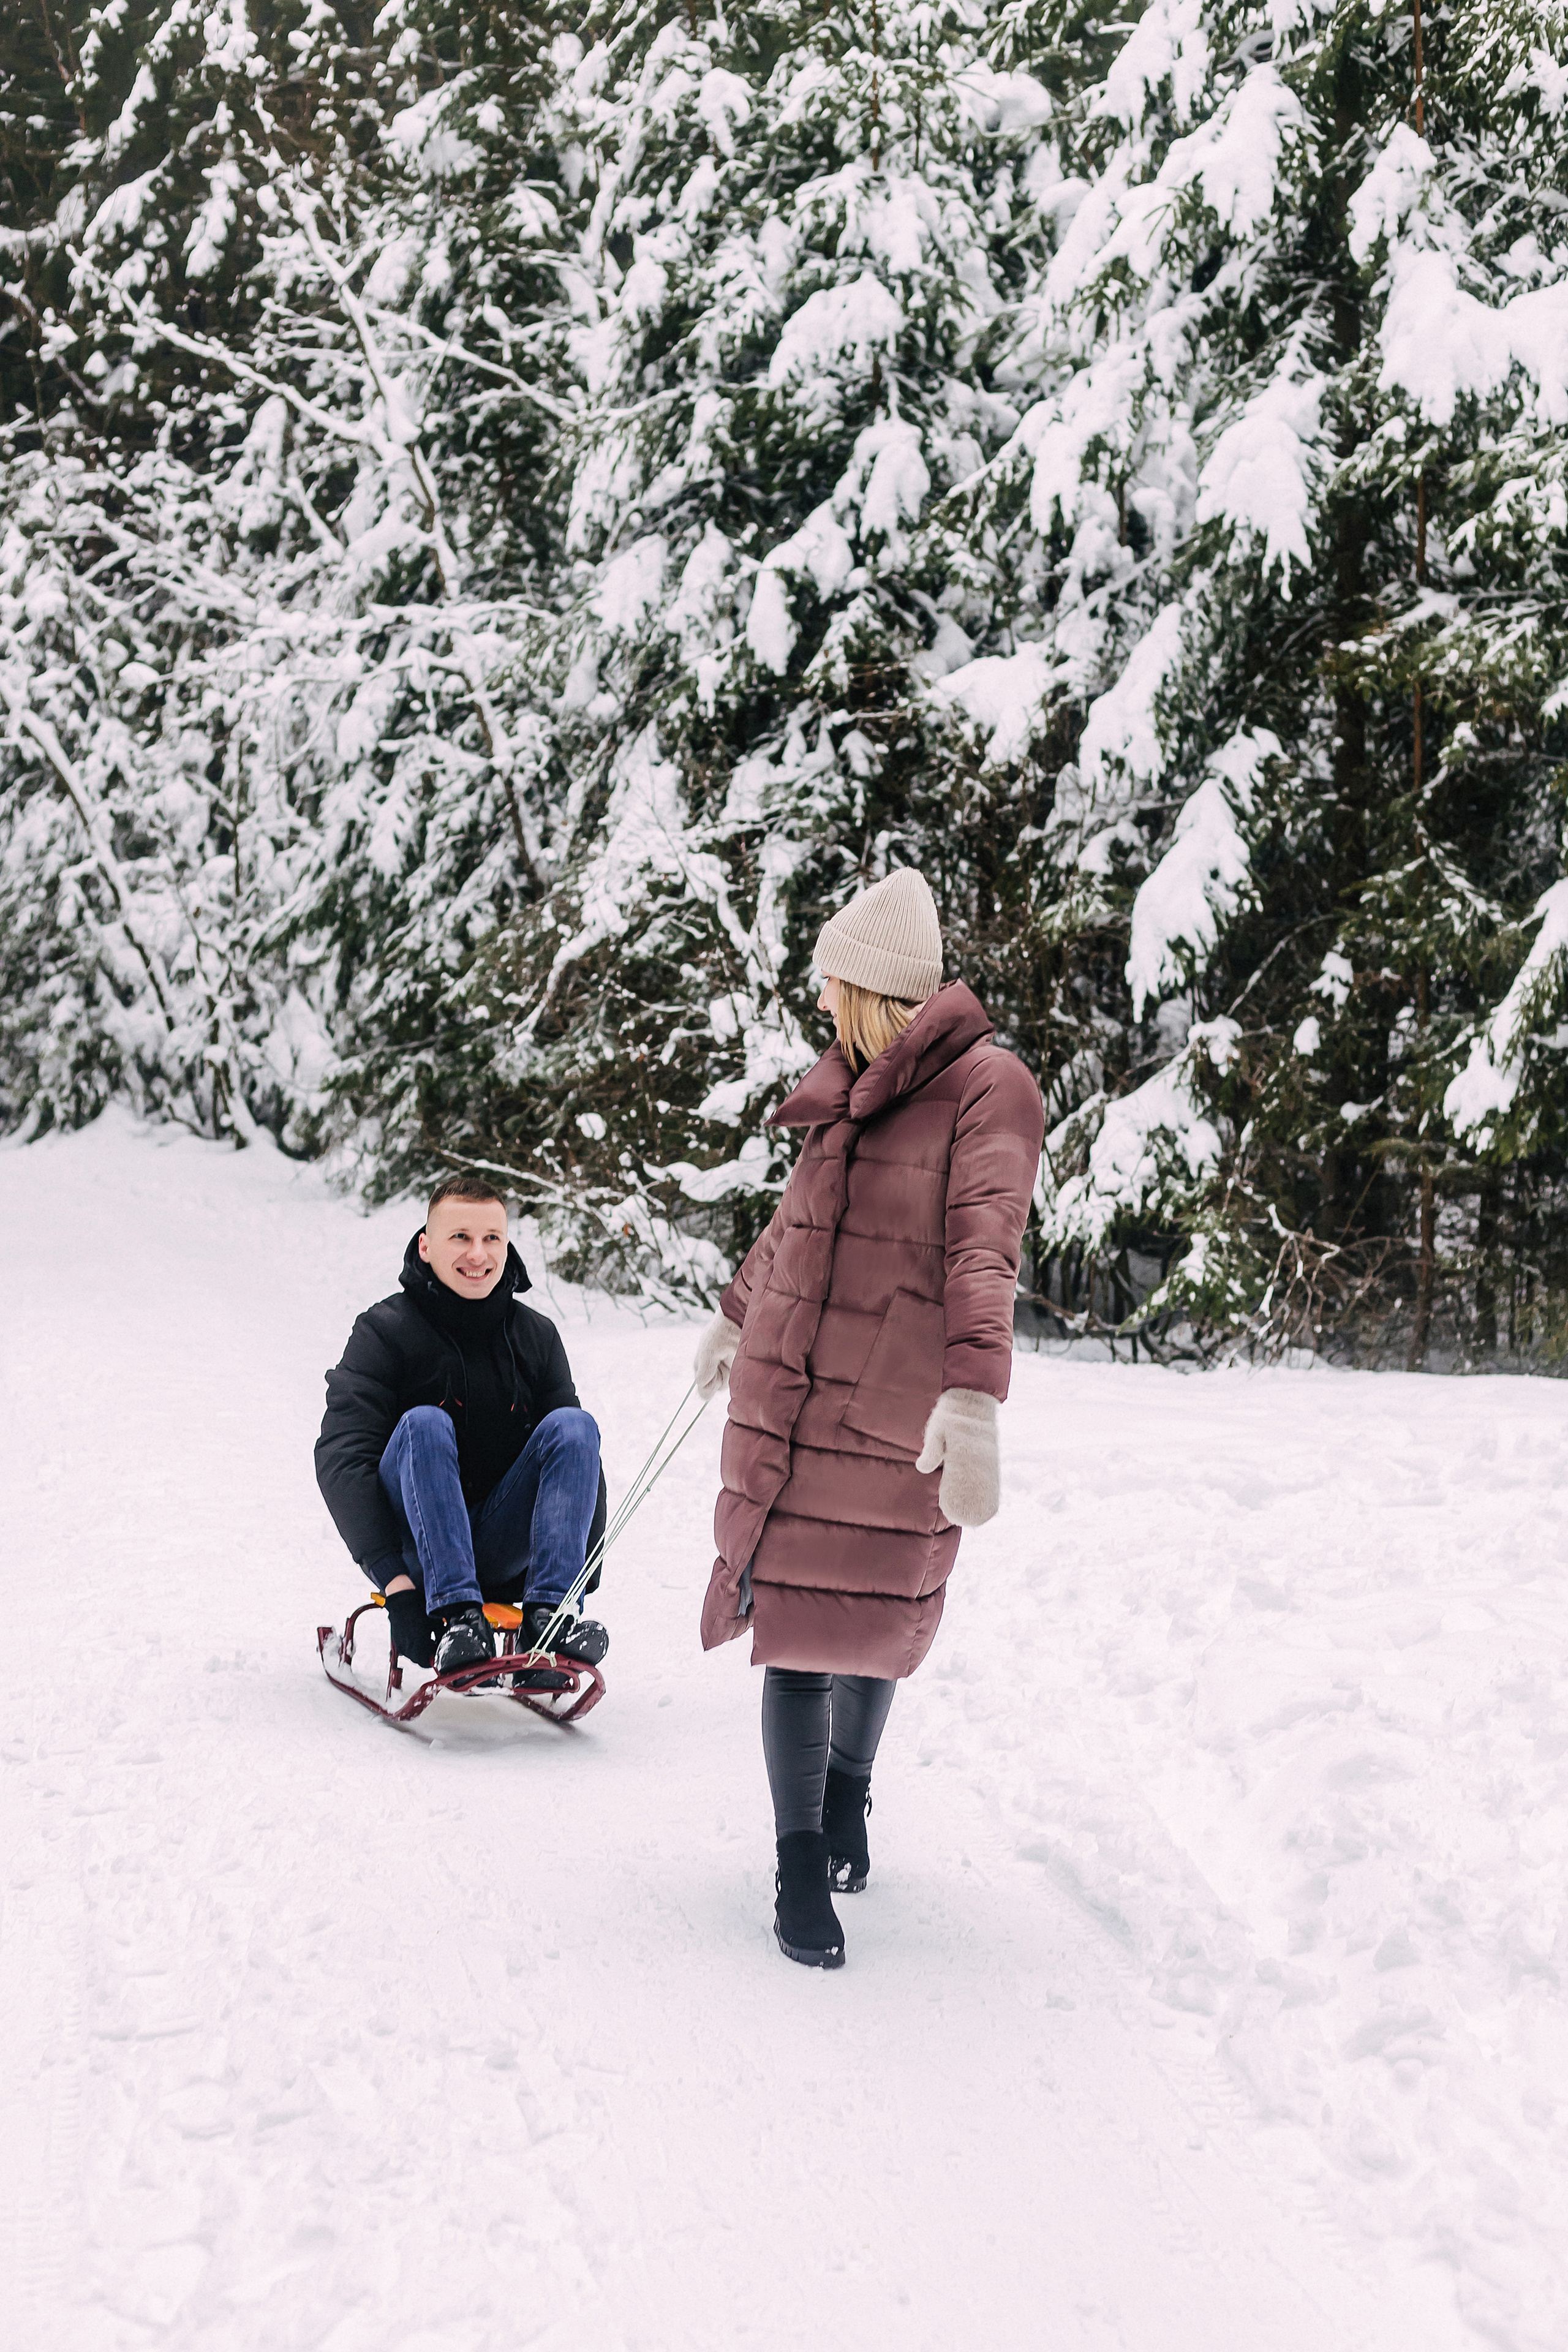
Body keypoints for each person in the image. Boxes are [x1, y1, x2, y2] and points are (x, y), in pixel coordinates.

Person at [692, 869, 1043, 1967]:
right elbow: (795, 1223)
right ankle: (800, 1867)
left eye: (831, 983)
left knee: (877, 1624)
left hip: (896, 1409)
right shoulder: (847, 1083)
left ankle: (849, 1795)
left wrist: (975, 1401)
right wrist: (733, 1318)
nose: (820, 1003)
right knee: (798, 1636)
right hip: (795, 1403)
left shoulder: (991, 1089)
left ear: (868, 987)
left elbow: (987, 1248)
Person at [315, 1175, 609, 1683]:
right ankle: (459, 1618)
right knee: (425, 1424)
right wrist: (396, 1583)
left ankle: (550, 1618)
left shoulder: (536, 1337)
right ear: (426, 1247)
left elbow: (579, 1463)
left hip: (500, 1543)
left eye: (491, 1238)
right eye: (461, 1238)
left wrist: (583, 1579)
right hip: (417, 1550)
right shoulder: (383, 1331)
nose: (478, 1254)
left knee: (574, 1426)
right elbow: (342, 1456)